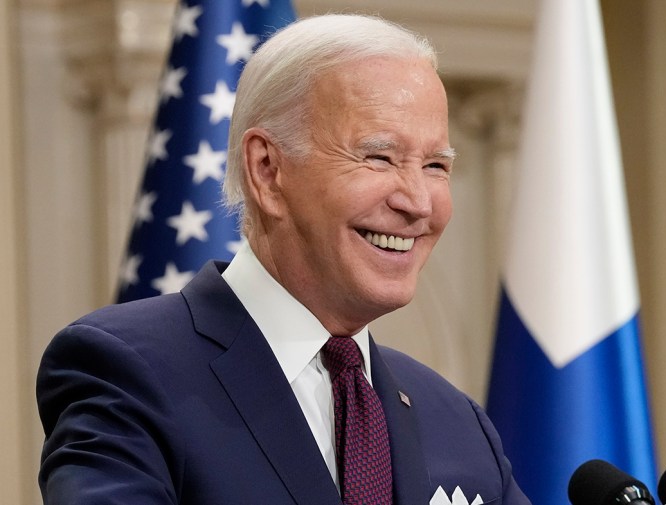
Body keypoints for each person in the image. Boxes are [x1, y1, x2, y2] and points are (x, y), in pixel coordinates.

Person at [36, 13, 531, 505]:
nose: (419, 203)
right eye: (378, 157)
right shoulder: (127, 372)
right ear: (268, 170)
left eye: (435, 166)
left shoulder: (458, 424)